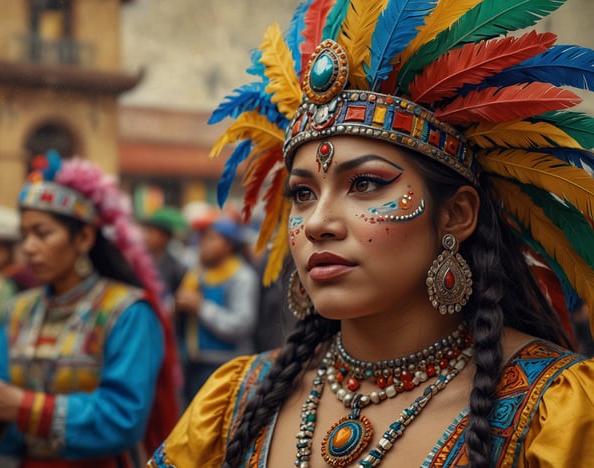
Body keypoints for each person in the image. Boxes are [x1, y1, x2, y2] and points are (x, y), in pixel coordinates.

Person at [149, 1, 594, 467]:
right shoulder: (233, 402)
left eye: (363, 184)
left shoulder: (556, 413)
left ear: (456, 215)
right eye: (302, 194)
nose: (319, 221)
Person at [0, 150, 179, 467]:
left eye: (42, 234)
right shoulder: (18, 310)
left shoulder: (128, 312)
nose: (28, 247)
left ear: (83, 238)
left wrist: (22, 407)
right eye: (24, 235)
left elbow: (124, 419)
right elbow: (5, 433)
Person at [174, 212, 259, 405]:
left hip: (226, 365)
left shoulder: (242, 276)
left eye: (211, 238)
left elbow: (241, 324)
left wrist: (200, 307)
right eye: (202, 238)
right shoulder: (197, 272)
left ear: (229, 244)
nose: (203, 243)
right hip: (194, 363)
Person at [140, 206, 189, 315]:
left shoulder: (177, 269)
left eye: (151, 232)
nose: (146, 236)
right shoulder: (139, 263)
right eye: (146, 231)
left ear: (166, 237)